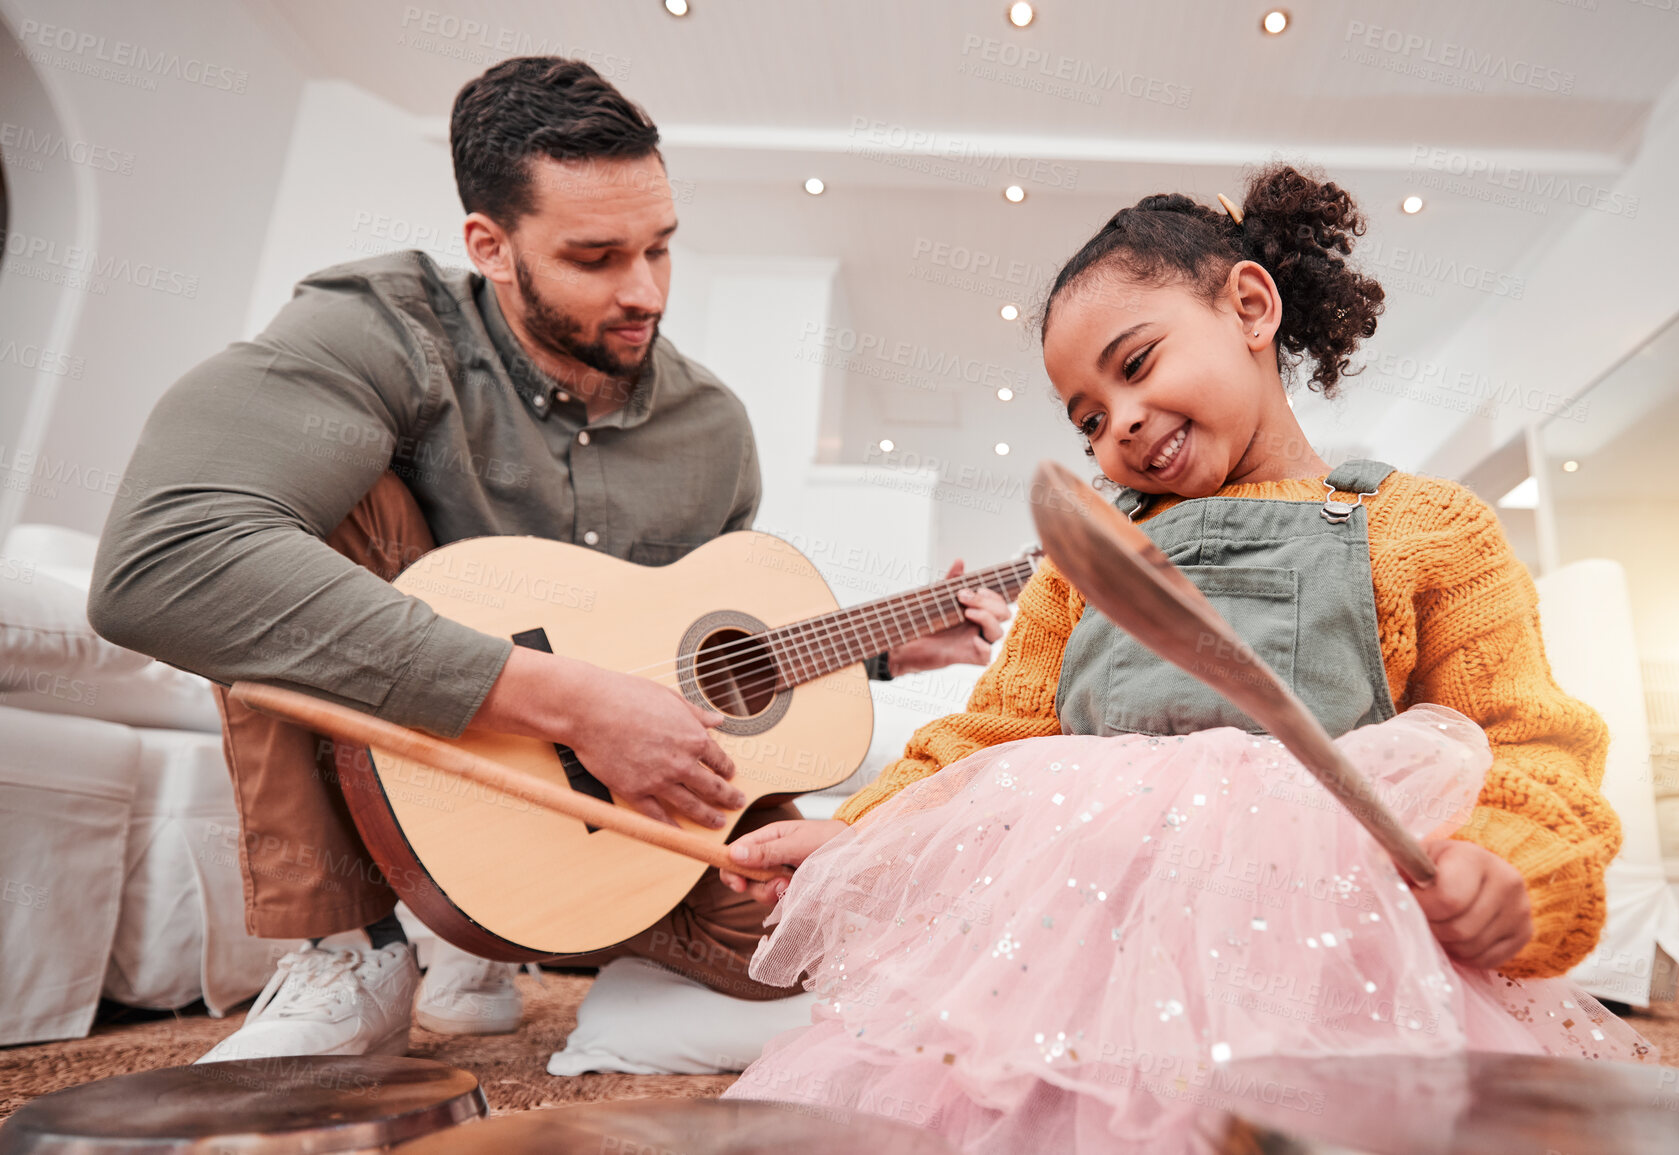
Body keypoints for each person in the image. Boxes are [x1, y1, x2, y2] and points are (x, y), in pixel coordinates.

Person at [86, 56, 1009, 1062]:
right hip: (399, 743)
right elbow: (165, 560)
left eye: (662, 248)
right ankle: (349, 952)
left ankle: (509, 924)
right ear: (491, 245)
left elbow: (673, 642)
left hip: (593, 817)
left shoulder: (713, 431)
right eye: (596, 257)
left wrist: (877, 654)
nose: (646, 291)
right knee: (290, 525)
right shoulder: (379, 331)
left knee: (809, 939)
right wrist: (570, 705)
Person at [715, 165, 1652, 1152]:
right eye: (1085, 417)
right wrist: (860, 831)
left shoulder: (1422, 528)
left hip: (1331, 951)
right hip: (1087, 969)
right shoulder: (1085, 560)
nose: (1115, 420)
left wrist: (1510, 867)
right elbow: (990, 732)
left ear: (1250, 306)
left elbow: (1529, 738)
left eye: (1137, 362)